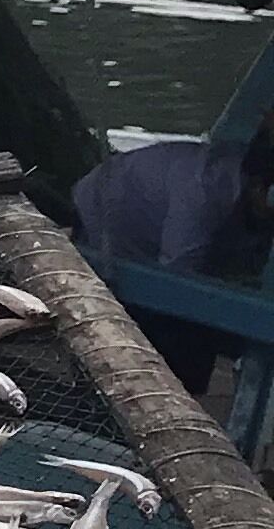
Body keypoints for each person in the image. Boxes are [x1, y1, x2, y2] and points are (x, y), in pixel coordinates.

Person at [71, 119, 274, 389]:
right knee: (176, 335)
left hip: (172, 237)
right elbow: (178, 283)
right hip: (108, 224)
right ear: (259, 189)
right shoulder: (200, 195)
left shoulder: (247, 189)